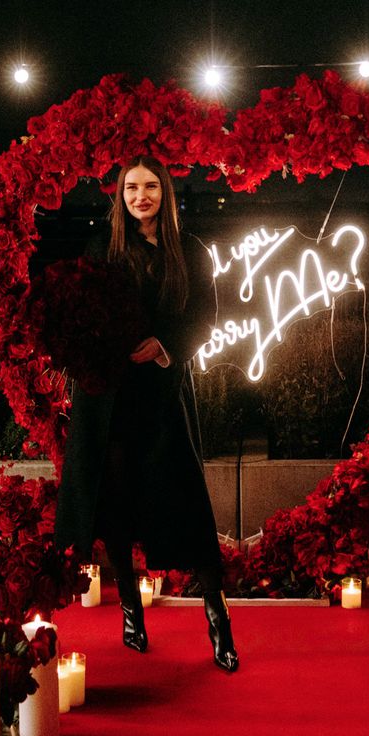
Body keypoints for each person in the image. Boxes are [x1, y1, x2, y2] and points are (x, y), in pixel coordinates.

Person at [53, 155, 239, 673]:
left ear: (165, 193)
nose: (141, 196)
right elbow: (81, 315)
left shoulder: (190, 250)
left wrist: (164, 345)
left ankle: (218, 618)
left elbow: (205, 315)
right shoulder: (103, 248)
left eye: (151, 186)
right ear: (120, 195)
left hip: (162, 394)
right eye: (132, 187)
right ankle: (131, 611)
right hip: (110, 399)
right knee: (115, 505)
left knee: (190, 507)